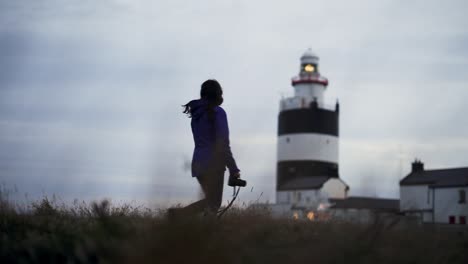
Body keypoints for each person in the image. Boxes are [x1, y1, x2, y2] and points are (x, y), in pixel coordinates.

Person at [173, 79, 241, 217]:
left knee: (211, 202)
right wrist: (233, 170)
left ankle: (191, 225)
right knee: (214, 203)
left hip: (198, 163)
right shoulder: (218, 112)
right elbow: (222, 143)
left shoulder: (196, 115)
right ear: (218, 93)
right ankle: (178, 216)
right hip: (214, 163)